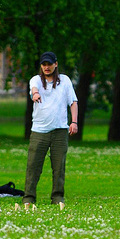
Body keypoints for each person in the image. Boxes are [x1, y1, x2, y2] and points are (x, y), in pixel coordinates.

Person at [23, 51, 78, 210]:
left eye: (49, 64)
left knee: (59, 166)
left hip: (60, 130)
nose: (46, 67)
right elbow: (34, 89)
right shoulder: (36, 80)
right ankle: (29, 198)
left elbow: (73, 102)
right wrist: (35, 94)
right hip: (39, 130)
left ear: (56, 64)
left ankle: (57, 197)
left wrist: (74, 122)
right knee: (33, 166)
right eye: (44, 64)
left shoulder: (65, 81)